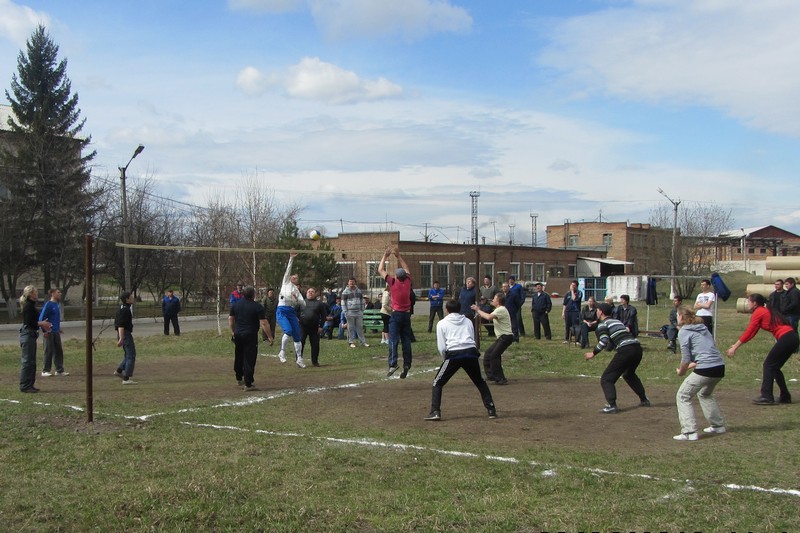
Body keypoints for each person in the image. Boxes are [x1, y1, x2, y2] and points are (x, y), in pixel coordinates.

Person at [424, 299, 497, 421]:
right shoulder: (467, 321)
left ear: (446, 310)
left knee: (437, 382)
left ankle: (435, 411)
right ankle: (491, 409)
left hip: (454, 354)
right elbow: (472, 337)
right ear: (460, 309)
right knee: (479, 381)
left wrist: (444, 359)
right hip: (471, 352)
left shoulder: (442, 323)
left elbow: (441, 346)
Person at [727, 293, 798, 405]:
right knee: (774, 367)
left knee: (768, 365)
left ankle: (767, 396)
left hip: (787, 338)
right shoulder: (764, 310)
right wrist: (737, 345)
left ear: (755, 303)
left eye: (749, 301)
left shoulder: (759, 311)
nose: (747, 303)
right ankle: (785, 396)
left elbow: (749, 331)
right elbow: (753, 332)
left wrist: (735, 347)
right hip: (791, 337)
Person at [584, 302, 650, 414]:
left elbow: (604, 341)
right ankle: (644, 399)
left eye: (597, 310)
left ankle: (612, 405)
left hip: (626, 350)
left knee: (607, 379)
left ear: (600, 312)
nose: (596, 312)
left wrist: (593, 353)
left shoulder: (603, 324)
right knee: (629, 374)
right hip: (637, 348)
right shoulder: (617, 321)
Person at [673, 306, 727, 441]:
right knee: (704, 393)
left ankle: (689, 432)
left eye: (677, 315)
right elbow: (705, 353)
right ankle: (718, 426)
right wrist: (689, 367)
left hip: (706, 368)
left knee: (683, 395)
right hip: (719, 367)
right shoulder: (703, 328)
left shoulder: (684, 332)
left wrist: (681, 372)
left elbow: (685, 359)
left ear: (681, 317)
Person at [378, 247, 413, 378]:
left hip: (397, 314)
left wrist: (385, 256)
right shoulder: (408, 282)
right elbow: (407, 268)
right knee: (406, 340)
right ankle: (407, 363)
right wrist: (398, 256)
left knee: (393, 339)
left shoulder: (393, 283)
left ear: (397, 276)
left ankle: (393, 364)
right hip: (406, 315)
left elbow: (380, 270)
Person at [229, 285, 271, 390]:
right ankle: (248, 383)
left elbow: (231, 319)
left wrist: (233, 331)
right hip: (250, 335)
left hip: (238, 334)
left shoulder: (236, 305)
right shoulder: (257, 306)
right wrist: (270, 336)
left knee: (238, 355)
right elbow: (264, 323)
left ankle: (239, 378)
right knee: (249, 358)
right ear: (253, 294)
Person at [472, 292, 513, 385]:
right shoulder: (498, 309)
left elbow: (488, 317)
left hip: (506, 337)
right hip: (502, 337)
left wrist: (478, 310)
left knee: (494, 356)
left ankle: (501, 379)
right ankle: (491, 375)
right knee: (488, 354)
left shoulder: (501, 309)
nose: (492, 300)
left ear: (498, 301)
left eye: (494, 299)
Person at [276, 251, 307, 368]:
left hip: (291, 311)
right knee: (288, 331)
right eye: (293, 276)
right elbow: (288, 270)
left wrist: (296, 299)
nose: (294, 277)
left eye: (296, 277)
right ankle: (282, 352)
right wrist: (291, 259)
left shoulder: (297, 290)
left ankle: (299, 358)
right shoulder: (285, 282)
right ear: (289, 278)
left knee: (297, 336)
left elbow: (303, 304)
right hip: (282, 310)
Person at [19, 286, 51, 393]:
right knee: (27, 361)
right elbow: (29, 322)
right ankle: (24, 385)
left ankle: (30, 385)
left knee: (32, 361)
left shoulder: (32, 306)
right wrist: (42, 323)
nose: (37, 294)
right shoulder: (28, 306)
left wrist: (44, 327)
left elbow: (35, 322)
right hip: (27, 335)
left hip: (32, 334)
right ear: (30, 294)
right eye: (35, 292)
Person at [39, 288, 68, 377]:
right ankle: (45, 370)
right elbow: (41, 319)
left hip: (56, 332)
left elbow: (54, 319)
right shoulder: (49, 305)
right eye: (58, 292)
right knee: (48, 350)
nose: (60, 294)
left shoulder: (57, 305)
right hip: (49, 332)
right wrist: (45, 330)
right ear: (52, 294)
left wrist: (58, 328)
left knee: (58, 351)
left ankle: (59, 370)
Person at [114, 291, 138, 384]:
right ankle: (126, 378)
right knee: (131, 355)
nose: (132, 298)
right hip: (125, 334)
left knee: (128, 355)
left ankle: (119, 371)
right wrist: (121, 338)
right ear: (127, 299)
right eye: (131, 297)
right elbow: (120, 325)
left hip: (124, 334)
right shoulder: (125, 310)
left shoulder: (122, 308)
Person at [300, 287, 327, 367]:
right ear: (306, 293)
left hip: (315, 327)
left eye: (312, 292)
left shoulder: (319, 303)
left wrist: (321, 326)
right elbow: (295, 312)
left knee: (315, 345)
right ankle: (299, 360)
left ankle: (315, 362)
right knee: (300, 343)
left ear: (315, 294)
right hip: (302, 327)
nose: (310, 293)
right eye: (309, 291)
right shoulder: (301, 302)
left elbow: (324, 316)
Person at [341, 277, 369, 348]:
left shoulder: (359, 291)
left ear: (355, 282)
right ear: (348, 283)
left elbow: (362, 301)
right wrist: (345, 312)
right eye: (350, 282)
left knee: (360, 327)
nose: (351, 283)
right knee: (350, 328)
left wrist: (362, 310)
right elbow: (343, 302)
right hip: (350, 312)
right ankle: (351, 342)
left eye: (353, 282)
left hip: (358, 312)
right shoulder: (345, 292)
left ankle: (363, 342)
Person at [507, 275, 526, 341]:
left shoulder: (518, 287)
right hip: (510, 306)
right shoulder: (508, 287)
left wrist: (520, 304)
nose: (510, 281)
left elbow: (522, 296)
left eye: (512, 280)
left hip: (517, 305)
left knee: (518, 318)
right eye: (509, 280)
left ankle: (522, 331)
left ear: (514, 280)